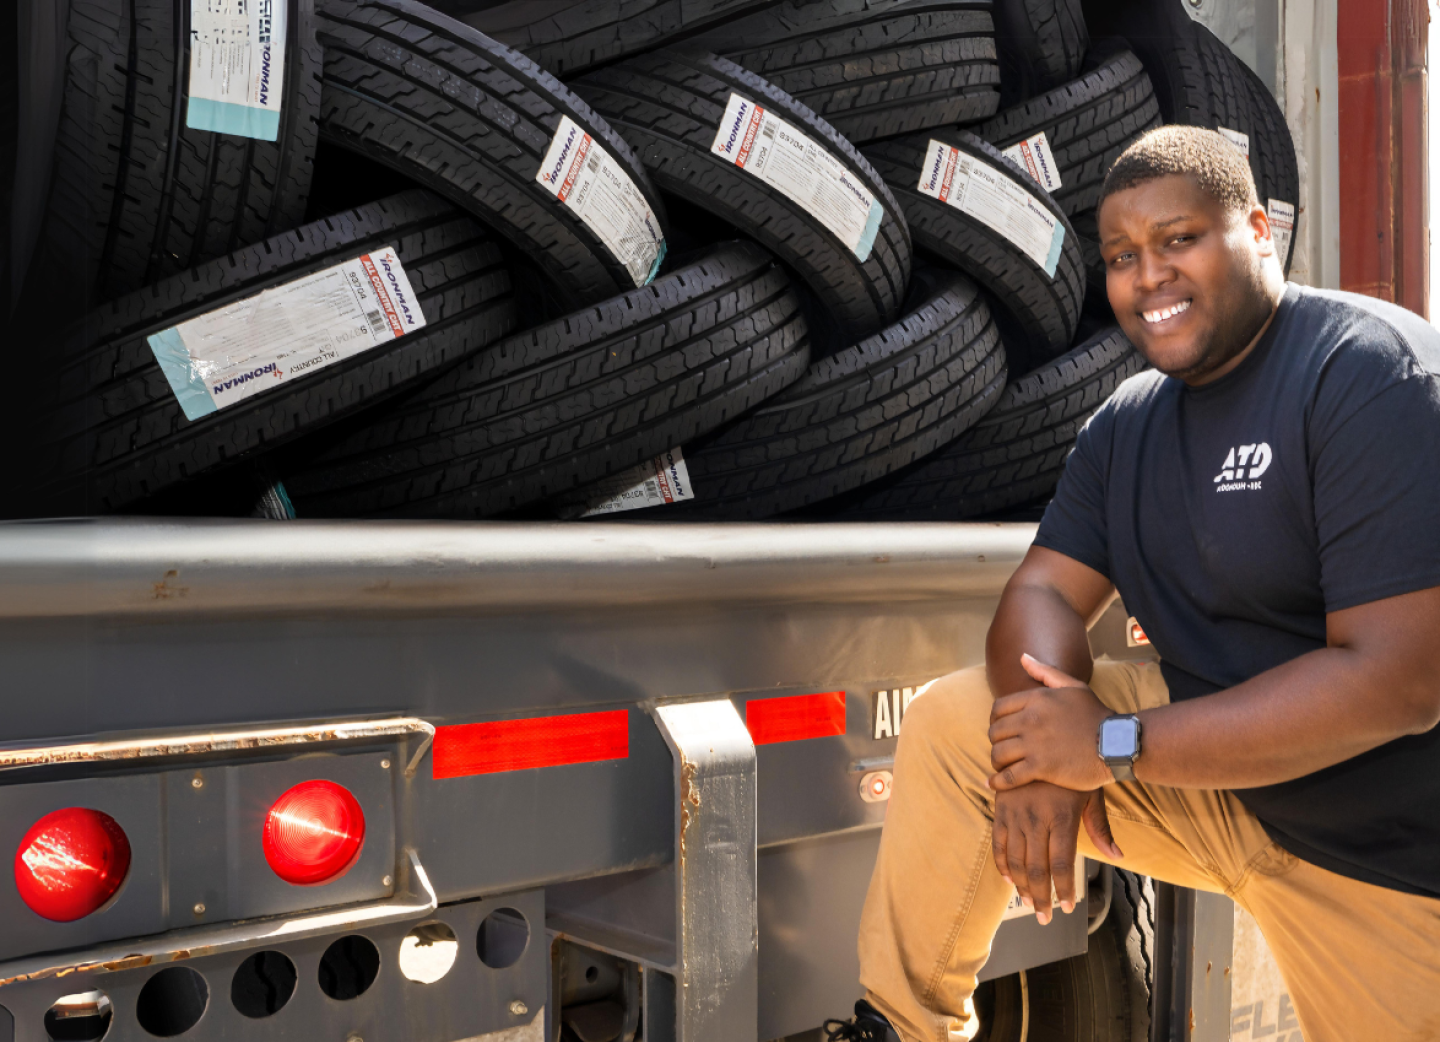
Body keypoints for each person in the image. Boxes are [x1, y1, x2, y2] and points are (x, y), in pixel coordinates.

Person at [823, 125, 1440, 1042]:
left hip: (1387, 855)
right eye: (1122, 255)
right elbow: (1040, 595)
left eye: (1179, 239)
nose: (1148, 275)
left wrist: (1107, 745)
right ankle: (899, 1029)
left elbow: (1398, 682)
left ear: (1260, 232)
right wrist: (1045, 749)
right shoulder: (1129, 425)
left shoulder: (1367, 373)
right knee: (965, 725)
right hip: (1219, 795)